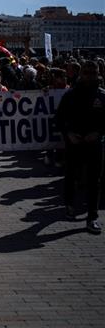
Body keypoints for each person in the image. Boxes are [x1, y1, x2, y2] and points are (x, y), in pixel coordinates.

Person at [55, 60, 105, 234]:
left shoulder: (102, 96)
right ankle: (69, 205)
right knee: (71, 176)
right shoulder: (70, 95)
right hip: (74, 142)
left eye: (94, 72)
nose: (90, 76)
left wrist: (98, 133)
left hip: (94, 143)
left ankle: (92, 217)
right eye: (87, 72)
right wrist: (69, 133)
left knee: (94, 181)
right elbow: (59, 119)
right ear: (81, 74)